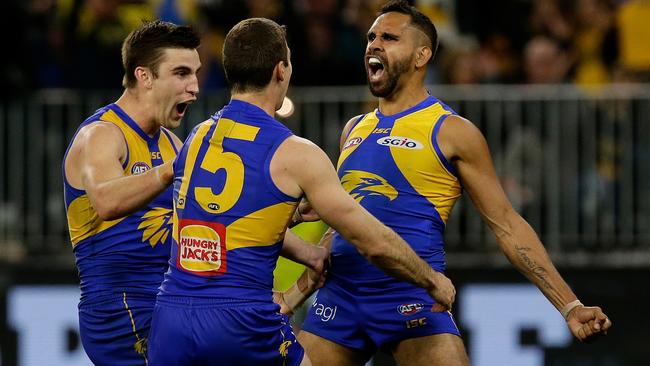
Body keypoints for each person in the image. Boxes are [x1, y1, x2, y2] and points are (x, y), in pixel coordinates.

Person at [297, 1, 613, 365]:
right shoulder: (353, 128)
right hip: (340, 302)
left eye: (389, 37)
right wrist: (293, 294)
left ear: (421, 56)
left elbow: (507, 225)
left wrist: (569, 305)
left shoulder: (452, 131)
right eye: (371, 36)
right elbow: (346, 223)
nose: (374, 44)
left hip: (414, 299)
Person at [147, 17, 456, 366]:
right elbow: (374, 241)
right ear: (281, 70)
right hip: (241, 322)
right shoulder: (295, 152)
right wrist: (431, 280)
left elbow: (229, 223)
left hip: (170, 317)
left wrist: (307, 253)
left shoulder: (195, 138)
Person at [62, 20, 202, 365]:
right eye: (182, 73)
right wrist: (171, 170)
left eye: (196, 74)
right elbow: (107, 201)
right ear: (145, 76)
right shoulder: (102, 135)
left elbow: (207, 215)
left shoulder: (172, 143)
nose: (195, 87)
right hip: (119, 309)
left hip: (170, 303)